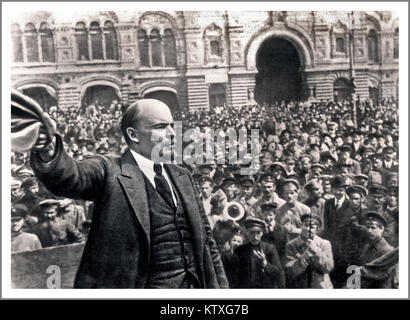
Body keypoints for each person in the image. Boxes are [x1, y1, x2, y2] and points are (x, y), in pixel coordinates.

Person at [30, 99, 228, 288]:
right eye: (161, 127)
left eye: (172, 125)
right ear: (133, 135)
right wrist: (49, 151)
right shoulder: (109, 170)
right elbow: (72, 177)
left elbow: (207, 242)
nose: (172, 133)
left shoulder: (182, 176)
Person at [233, 217, 285, 288]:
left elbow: (279, 274)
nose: (255, 237)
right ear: (247, 233)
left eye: (258, 233)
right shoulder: (240, 250)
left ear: (262, 233)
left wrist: (265, 264)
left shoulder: (269, 248)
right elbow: (235, 276)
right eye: (252, 233)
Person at [285, 213, 334, 288]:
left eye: (312, 227)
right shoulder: (291, 245)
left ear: (317, 229)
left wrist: (316, 250)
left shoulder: (324, 244)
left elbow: (328, 267)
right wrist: (304, 256)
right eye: (306, 225)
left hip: (320, 287)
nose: (308, 229)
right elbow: (289, 272)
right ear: (301, 225)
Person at [322, 175, 354, 288]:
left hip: (344, 249)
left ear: (345, 190)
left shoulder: (350, 205)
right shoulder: (328, 203)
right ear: (332, 190)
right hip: (330, 247)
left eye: (341, 190)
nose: (338, 192)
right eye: (335, 189)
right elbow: (326, 226)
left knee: (343, 280)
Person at [358, 212, 395, 288]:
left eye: (373, 228)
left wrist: (363, 272)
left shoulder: (388, 250)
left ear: (382, 229)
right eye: (367, 227)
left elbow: (383, 275)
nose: (369, 231)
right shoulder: (367, 246)